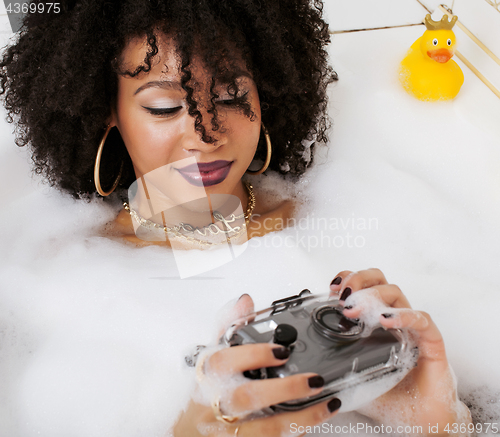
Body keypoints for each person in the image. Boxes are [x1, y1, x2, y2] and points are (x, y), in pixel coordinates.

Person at [0, 0, 471, 435]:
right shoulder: (59, 277)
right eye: (164, 107)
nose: (205, 136)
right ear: (109, 111)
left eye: (229, 96)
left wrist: (440, 421)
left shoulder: (342, 217)